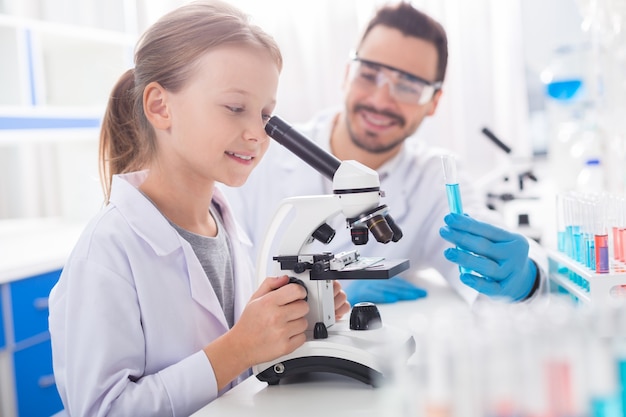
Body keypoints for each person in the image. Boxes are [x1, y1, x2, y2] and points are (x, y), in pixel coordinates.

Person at [47, 1, 350, 415]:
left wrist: (293, 327)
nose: (257, 133)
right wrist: (237, 348)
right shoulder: (107, 250)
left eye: (266, 114)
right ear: (159, 106)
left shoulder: (223, 224)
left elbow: (235, 379)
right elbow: (103, 410)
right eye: (234, 107)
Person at [221, 2, 547, 306]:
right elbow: (222, 287)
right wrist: (319, 296)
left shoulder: (430, 178)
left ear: (433, 102)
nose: (381, 100)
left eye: (408, 85)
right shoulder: (260, 156)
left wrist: (527, 279)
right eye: (368, 74)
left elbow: (482, 251)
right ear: (347, 74)